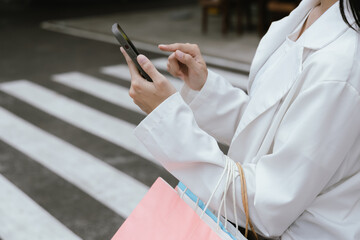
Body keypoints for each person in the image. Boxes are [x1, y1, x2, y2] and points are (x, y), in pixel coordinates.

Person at [120, 0, 360, 238]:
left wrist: (168, 118)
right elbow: (267, 127)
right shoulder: (306, 15)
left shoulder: (341, 65)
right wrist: (203, 87)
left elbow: (268, 204)